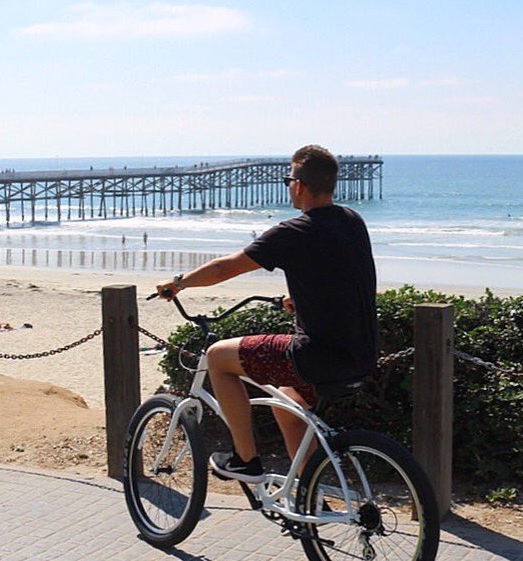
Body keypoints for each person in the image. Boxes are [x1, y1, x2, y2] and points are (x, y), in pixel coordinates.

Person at [155, 145, 377, 485]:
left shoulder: (293, 232)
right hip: (360, 354)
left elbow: (226, 268)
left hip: (316, 356)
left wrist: (178, 283)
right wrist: (302, 300)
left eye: (289, 179)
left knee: (217, 357)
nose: (288, 185)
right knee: (286, 399)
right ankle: (308, 491)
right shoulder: (351, 221)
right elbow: (339, 274)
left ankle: (245, 460)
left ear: (299, 185)